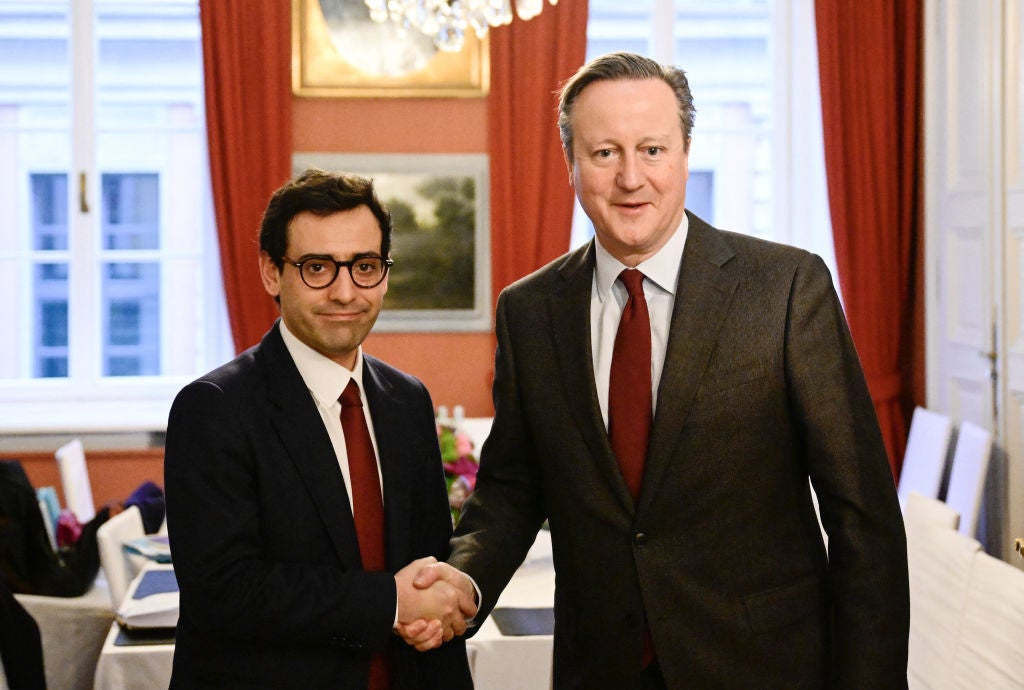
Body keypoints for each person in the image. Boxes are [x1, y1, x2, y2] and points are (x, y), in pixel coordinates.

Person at [405, 51, 910, 688]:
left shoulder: (785, 289)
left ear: (684, 152)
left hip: (763, 667)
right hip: (602, 667)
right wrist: (466, 580)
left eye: (651, 149)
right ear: (571, 166)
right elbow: (511, 488)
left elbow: (862, 514)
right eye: (605, 153)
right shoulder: (530, 311)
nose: (631, 178)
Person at [164, 169, 475, 689]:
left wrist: (444, 596)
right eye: (317, 268)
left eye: (365, 267)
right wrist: (391, 603)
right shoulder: (214, 408)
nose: (344, 291)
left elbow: (428, 559)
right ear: (270, 273)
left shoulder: (406, 400)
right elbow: (224, 590)